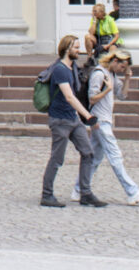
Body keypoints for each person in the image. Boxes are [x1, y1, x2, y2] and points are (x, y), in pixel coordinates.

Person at [77, 46, 139, 205]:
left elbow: (122, 95)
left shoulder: (111, 74)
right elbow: (92, 98)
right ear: (115, 61)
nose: (122, 69)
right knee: (114, 155)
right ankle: (132, 192)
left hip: (104, 121)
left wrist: (127, 79)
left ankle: (78, 189)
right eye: (122, 66)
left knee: (95, 158)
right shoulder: (99, 73)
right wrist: (107, 89)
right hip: (100, 120)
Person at [40, 34, 102, 208]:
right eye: (75, 47)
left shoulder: (72, 67)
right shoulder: (60, 69)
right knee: (57, 158)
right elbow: (69, 96)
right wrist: (88, 116)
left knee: (88, 153)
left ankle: (86, 193)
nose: (78, 50)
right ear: (67, 49)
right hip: (60, 119)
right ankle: (47, 194)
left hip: (73, 118)